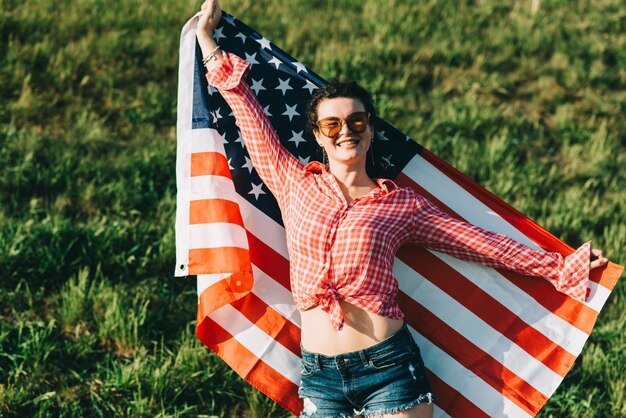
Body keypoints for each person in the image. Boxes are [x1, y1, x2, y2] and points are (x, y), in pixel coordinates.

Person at [195, 1, 609, 417]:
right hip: (319, 375)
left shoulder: (400, 204)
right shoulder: (293, 182)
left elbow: (478, 243)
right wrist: (207, 40)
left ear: (371, 129)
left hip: (390, 369)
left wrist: (559, 266)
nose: (345, 133)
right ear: (318, 136)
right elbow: (247, 114)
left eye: (356, 122)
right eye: (332, 125)